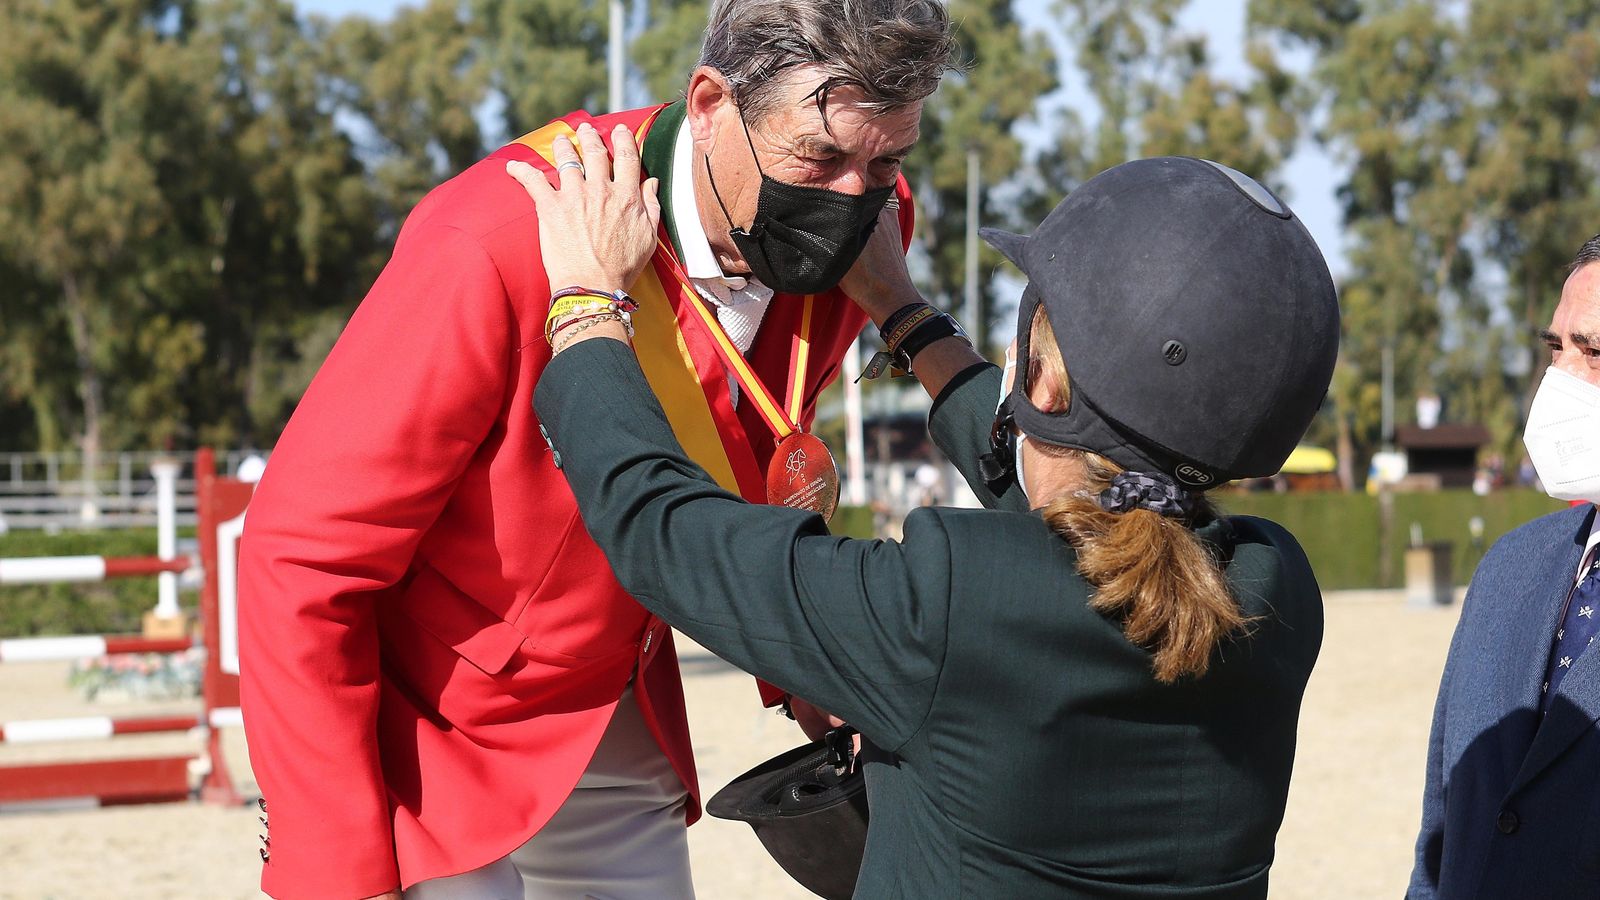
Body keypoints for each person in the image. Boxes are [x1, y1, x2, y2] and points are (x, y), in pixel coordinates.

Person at [235, 1, 955, 896]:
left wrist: (816, 672)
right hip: (430, 736)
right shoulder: (494, 241)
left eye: (886, 159)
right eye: (818, 157)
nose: (853, 197)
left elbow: (749, 453)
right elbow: (300, 556)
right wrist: (336, 866)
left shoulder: (872, 219)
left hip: (623, 701)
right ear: (708, 104)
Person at [518, 145, 1340, 896]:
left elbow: (667, 532)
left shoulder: (950, 602)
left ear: (1044, 389)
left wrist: (587, 300)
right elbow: (1092, 517)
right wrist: (897, 309)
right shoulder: (1275, 591)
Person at [1408, 234, 1600, 898]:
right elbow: (1440, 829)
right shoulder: (1508, 568)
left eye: (1595, 352)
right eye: (1556, 348)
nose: (1562, 380)